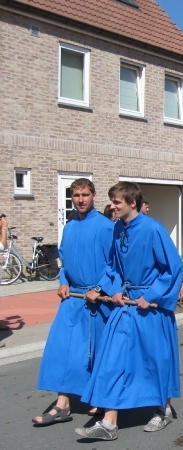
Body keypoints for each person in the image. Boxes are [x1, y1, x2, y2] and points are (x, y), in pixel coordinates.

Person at [76, 182, 183, 440]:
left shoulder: (152, 229)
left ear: (132, 203)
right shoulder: (117, 228)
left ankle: (164, 409)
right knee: (111, 359)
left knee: (155, 360)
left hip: (150, 309)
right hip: (125, 308)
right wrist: (113, 290)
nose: (112, 206)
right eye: (112, 202)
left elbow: (173, 268)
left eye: (117, 202)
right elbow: (111, 267)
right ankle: (109, 423)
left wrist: (151, 295)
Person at [33, 179, 115, 426]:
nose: (80, 199)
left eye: (85, 195)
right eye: (76, 195)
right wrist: (63, 281)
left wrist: (99, 288)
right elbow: (65, 263)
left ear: (94, 196)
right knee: (62, 349)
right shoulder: (68, 227)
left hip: (98, 301)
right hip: (72, 299)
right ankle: (62, 404)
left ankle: (101, 398)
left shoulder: (105, 227)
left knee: (98, 353)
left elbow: (114, 266)